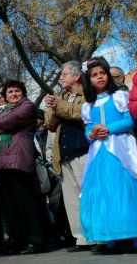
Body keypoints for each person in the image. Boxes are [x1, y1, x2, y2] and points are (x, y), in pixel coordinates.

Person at [80, 57, 137, 254]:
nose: (99, 77)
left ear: (108, 75)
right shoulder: (88, 105)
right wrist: (92, 134)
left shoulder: (119, 96)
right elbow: (88, 128)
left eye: (102, 73)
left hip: (122, 148)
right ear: (88, 80)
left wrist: (108, 128)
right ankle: (111, 235)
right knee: (104, 192)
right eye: (94, 75)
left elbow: (130, 120)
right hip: (99, 153)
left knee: (129, 189)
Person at [0, 80, 45, 254]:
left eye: (17, 91)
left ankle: (35, 240)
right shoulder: (3, 111)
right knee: (10, 205)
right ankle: (18, 240)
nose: (14, 94)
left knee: (26, 201)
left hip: (18, 159)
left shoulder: (28, 106)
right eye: (10, 92)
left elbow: (11, 120)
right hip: (1, 162)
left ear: (23, 93)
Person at [43, 60, 90, 252]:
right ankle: (81, 238)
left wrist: (59, 105)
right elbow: (49, 124)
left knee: (87, 194)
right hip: (63, 153)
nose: (61, 77)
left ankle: (96, 236)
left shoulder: (87, 94)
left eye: (64, 74)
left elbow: (83, 114)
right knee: (72, 200)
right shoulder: (61, 97)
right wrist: (53, 107)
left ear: (77, 75)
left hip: (83, 150)